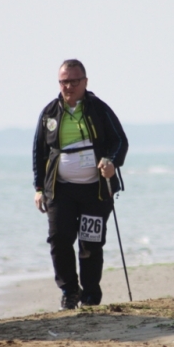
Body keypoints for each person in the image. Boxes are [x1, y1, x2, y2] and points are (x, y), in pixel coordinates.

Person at [32, 59, 129, 310]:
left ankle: (90, 296)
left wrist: (111, 161)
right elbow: (40, 153)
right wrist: (39, 189)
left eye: (74, 81)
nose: (69, 86)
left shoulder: (99, 109)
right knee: (59, 239)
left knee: (90, 243)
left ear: (85, 82)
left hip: (95, 191)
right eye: (64, 81)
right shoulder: (50, 112)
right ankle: (69, 291)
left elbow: (120, 141)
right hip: (60, 189)